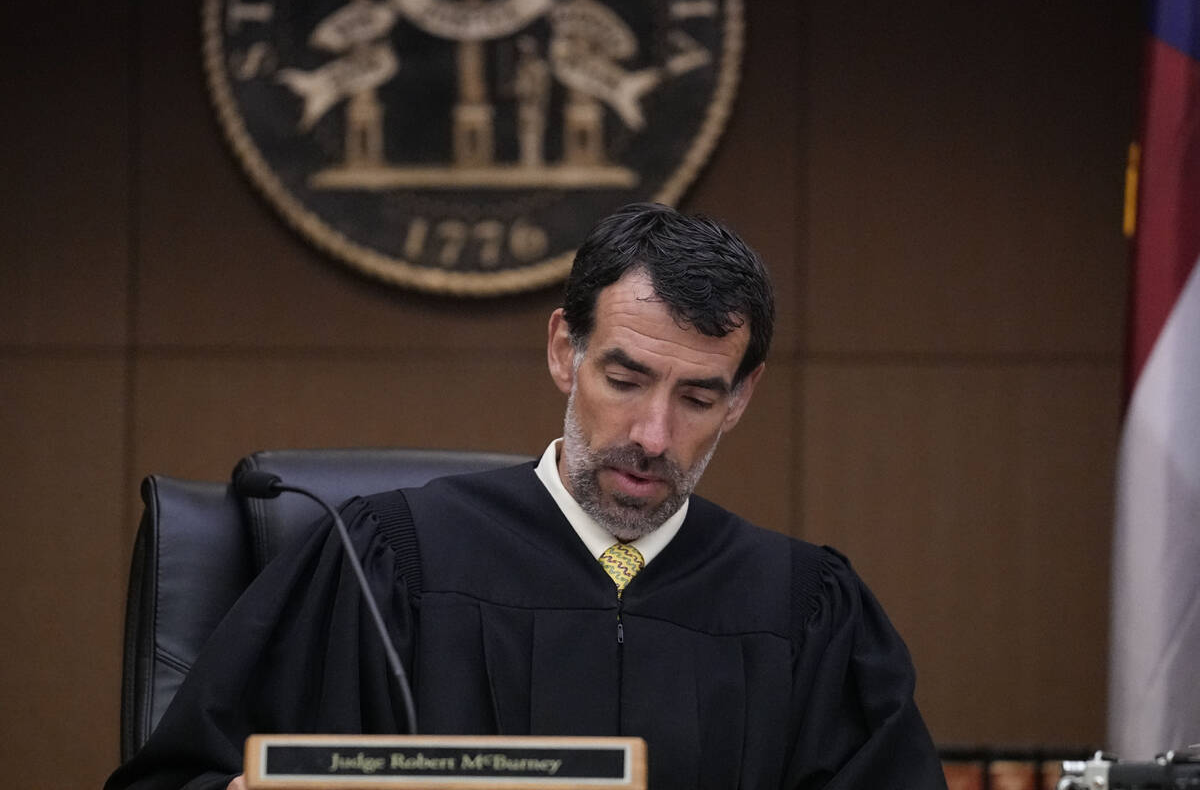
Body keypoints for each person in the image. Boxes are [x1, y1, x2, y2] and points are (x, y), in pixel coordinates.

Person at [107, 204, 946, 790]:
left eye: (697, 397)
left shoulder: (804, 612)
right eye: (625, 377)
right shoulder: (386, 561)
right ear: (563, 352)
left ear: (741, 397)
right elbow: (178, 778)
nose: (653, 435)